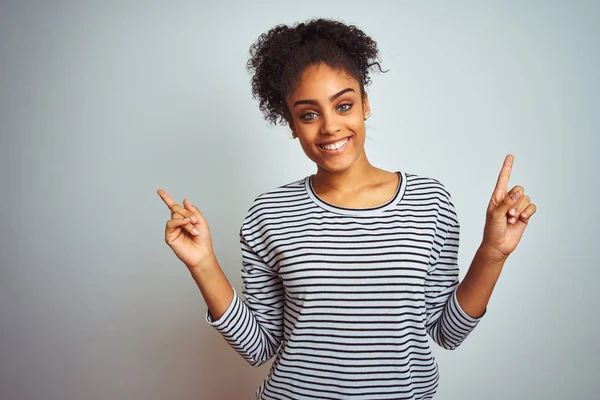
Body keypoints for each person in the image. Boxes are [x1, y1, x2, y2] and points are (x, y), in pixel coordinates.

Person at [157, 18, 537, 400]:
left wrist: (492, 253)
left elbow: (447, 332)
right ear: (291, 123)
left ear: (365, 104)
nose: (330, 126)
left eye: (343, 105)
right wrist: (203, 263)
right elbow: (259, 348)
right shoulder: (269, 213)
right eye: (309, 114)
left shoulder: (430, 202)